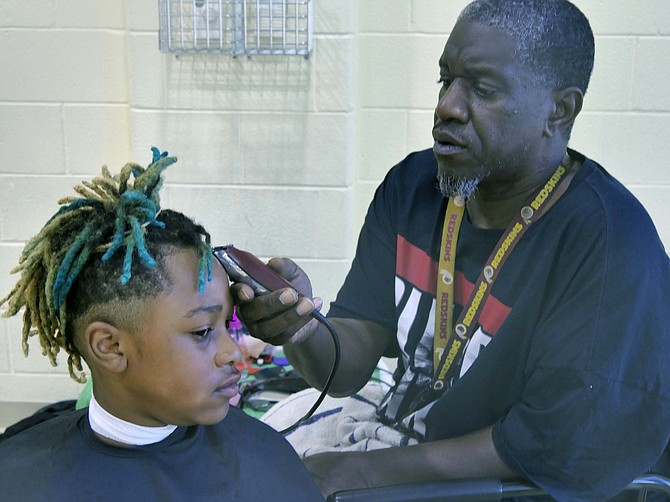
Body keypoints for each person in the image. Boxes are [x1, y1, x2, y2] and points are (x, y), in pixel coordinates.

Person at [231, 0, 670, 500]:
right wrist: (302, 328)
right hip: (404, 434)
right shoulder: (413, 186)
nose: (448, 106)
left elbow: (555, 447)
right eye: (446, 81)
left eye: (482, 89)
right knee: (231, 464)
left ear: (559, 110)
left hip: (506, 484)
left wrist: (364, 473)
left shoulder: (608, 243)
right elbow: (348, 367)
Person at [0, 149, 323, 501]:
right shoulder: (19, 481)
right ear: (110, 347)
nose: (233, 352)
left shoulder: (266, 464)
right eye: (202, 332)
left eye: (227, 325)